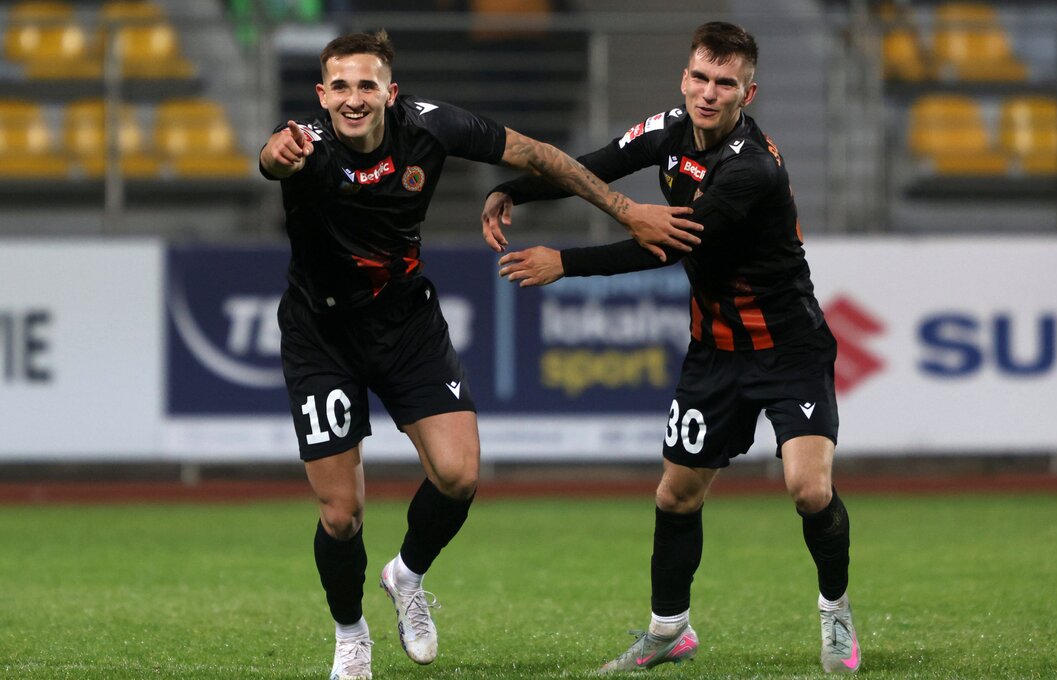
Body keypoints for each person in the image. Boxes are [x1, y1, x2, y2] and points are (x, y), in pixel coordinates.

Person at [258, 30, 701, 680]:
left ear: (390, 92)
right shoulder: (305, 144)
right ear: (322, 94)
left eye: (367, 85)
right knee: (342, 515)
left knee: (459, 475)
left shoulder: (431, 128)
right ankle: (351, 637)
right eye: (341, 87)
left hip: (406, 324)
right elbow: (273, 158)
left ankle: (406, 575)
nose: (354, 99)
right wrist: (276, 152)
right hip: (320, 336)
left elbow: (540, 155)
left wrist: (625, 209)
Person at [485, 21, 860, 675]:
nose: (709, 93)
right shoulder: (667, 131)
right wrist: (512, 189)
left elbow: (663, 245)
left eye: (725, 84)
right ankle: (669, 630)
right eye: (701, 78)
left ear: (748, 93)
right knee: (676, 495)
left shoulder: (752, 168)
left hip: (789, 349)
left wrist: (563, 262)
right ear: (685, 78)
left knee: (808, 490)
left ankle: (835, 610)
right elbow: (592, 168)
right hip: (714, 349)